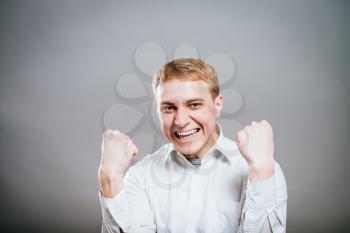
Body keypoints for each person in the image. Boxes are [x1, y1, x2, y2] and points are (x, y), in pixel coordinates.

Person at [98, 58, 287, 233]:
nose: (180, 121)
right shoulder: (140, 176)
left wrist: (262, 173)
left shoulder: (262, 170)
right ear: (157, 108)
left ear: (218, 105)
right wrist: (109, 179)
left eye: (194, 105)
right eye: (169, 108)